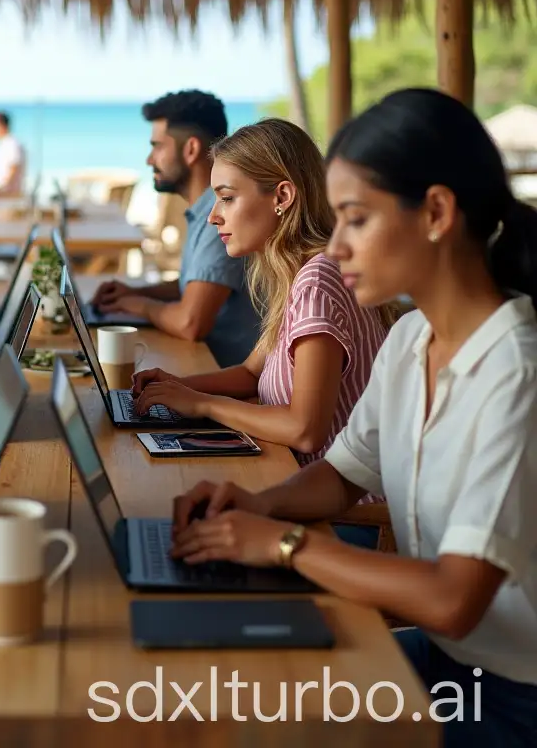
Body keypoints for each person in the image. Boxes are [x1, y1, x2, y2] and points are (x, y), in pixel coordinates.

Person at [169, 89, 537, 745]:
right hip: (447, 660)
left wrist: (287, 545)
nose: (334, 247)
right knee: (227, 692)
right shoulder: (411, 340)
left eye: (355, 219)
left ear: (436, 212)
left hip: (511, 701)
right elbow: (339, 475)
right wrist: (258, 505)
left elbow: (455, 600)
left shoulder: (517, 374)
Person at [133, 119, 394, 500]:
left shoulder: (317, 282)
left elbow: (305, 429)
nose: (213, 216)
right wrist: (174, 385)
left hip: (347, 518)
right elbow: (251, 373)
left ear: (282, 196)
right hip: (294, 486)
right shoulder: (297, 273)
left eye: (227, 197)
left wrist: (203, 403)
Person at [92, 90, 260, 367]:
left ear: (191, 149)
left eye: (157, 146)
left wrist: (138, 305)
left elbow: (190, 323)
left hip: (225, 376)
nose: (149, 159)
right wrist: (137, 292)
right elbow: (194, 285)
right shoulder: (205, 210)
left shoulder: (218, 218)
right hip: (206, 367)